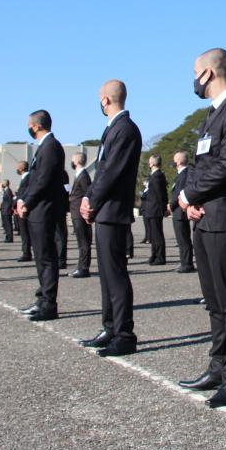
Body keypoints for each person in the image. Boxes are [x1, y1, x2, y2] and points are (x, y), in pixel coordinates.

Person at [176, 48, 226, 408]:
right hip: (204, 215)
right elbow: (199, 164)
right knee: (213, 300)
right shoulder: (211, 116)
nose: (193, 79)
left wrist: (191, 193)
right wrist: (189, 199)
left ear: (208, 73)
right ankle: (218, 366)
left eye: (195, 72)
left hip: (223, 215)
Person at [78, 79, 142, 358]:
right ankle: (110, 327)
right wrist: (88, 197)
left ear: (106, 100)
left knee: (115, 275)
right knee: (106, 275)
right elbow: (102, 170)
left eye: (99, 98)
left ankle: (124, 334)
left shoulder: (125, 129)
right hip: (104, 211)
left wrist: (91, 200)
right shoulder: (113, 130)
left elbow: (111, 172)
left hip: (113, 212)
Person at [16, 110, 65, 322]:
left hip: (44, 210)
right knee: (41, 258)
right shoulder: (43, 147)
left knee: (46, 258)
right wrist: (22, 199)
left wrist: (27, 201)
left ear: (36, 126)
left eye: (30, 124)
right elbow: (34, 180)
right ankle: (42, 298)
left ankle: (49, 304)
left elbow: (43, 180)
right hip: (38, 210)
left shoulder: (51, 146)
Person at [169, 151, 195, 273]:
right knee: (181, 239)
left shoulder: (184, 174)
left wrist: (170, 205)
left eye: (174, 159)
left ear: (178, 161)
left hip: (180, 211)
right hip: (178, 211)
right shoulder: (180, 174)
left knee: (183, 239)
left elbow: (179, 192)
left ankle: (187, 264)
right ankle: (184, 262)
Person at [68, 152, 93, 278]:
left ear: (76, 162)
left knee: (83, 241)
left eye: (72, 160)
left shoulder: (83, 176)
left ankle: (83, 268)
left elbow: (88, 193)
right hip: (76, 212)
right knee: (81, 241)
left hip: (79, 213)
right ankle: (81, 267)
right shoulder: (79, 175)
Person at [142, 154, 168, 265]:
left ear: (152, 163)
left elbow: (160, 194)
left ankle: (160, 256)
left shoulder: (157, 176)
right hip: (151, 208)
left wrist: (163, 207)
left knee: (157, 235)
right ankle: (154, 254)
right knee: (153, 234)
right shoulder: (154, 175)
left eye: (150, 161)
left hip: (155, 209)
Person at [14, 161, 33, 262]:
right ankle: (26, 252)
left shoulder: (27, 178)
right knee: (24, 231)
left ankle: (26, 253)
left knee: (25, 232)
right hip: (21, 207)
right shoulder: (25, 178)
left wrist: (19, 203)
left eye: (18, 167)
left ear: (21, 168)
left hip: (24, 208)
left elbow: (23, 193)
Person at [55, 169, 70, 269]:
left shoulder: (62, 174)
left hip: (58, 207)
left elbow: (66, 191)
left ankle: (61, 259)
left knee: (60, 235)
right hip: (58, 207)